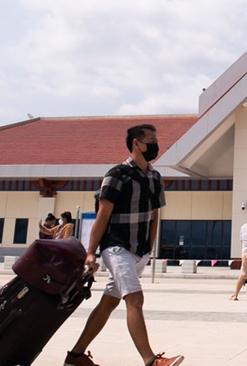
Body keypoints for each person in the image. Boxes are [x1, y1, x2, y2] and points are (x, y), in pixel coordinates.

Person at [64, 124, 183, 366]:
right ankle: (151, 361)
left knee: (109, 302)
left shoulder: (155, 177)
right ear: (136, 144)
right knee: (135, 300)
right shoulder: (116, 174)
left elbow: (155, 214)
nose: (155, 145)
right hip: (116, 247)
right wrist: (90, 253)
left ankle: (75, 356)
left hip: (139, 251)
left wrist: (149, 248)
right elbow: (102, 215)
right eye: (150, 140)